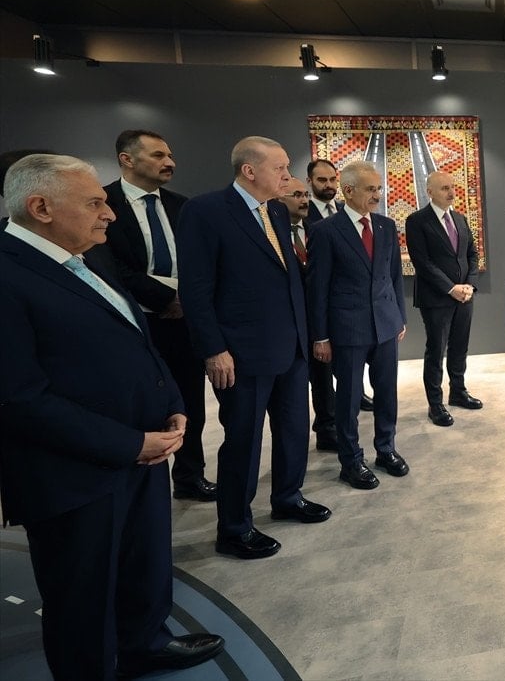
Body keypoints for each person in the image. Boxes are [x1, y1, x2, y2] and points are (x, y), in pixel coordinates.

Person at [0, 153, 224, 679]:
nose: (110, 214)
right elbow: (18, 398)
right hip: (75, 474)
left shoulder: (86, 256)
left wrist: (171, 403)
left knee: (143, 565)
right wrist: (127, 444)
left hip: (141, 453)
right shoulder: (7, 274)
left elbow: (137, 337)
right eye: (95, 203)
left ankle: (145, 643)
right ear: (41, 208)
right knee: (83, 597)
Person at [176, 136, 331, 561]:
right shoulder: (205, 211)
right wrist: (213, 349)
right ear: (249, 170)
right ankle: (234, 528)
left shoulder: (276, 211)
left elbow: (287, 279)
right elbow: (196, 289)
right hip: (241, 353)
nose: (289, 176)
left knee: (294, 429)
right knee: (243, 440)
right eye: (281, 168)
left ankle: (288, 497)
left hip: (290, 346)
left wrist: (308, 334)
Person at [100, 129, 214, 502]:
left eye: (170, 155)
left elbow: (200, 260)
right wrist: (167, 297)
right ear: (127, 159)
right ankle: (142, 485)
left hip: (184, 322)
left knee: (190, 402)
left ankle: (190, 476)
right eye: (158, 155)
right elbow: (109, 265)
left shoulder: (183, 206)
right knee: (141, 405)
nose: (170, 163)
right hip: (135, 322)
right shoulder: (104, 204)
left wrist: (188, 300)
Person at [307, 161, 409, 489]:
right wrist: (320, 336)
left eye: (379, 188)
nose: (377, 195)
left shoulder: (386, 226)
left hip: (385, 325)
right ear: (348, 190)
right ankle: (351, 461)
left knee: (387, 393)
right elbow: (318, 288)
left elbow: (394, 276)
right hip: (347, 329)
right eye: (370, 189)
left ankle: (386, 449)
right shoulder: (325, 231)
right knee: (349, 399)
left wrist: (400, 317)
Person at [405, 170, 483, 427]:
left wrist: (469, 284)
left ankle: (458, 392)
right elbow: (422, 262)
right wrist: (451, 288)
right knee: (436, 350)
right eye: (444, 188)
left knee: (460, 346)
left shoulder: (460, 219)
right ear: (429, 192)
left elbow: (472, 254)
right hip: (436, 298)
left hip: (465, 297)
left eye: (452, 186)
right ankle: (435, 404)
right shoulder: (417, 221)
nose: (451, 192)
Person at [307, 157, 375, 416]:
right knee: (322, 370)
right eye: (321, 180)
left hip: (350, 310)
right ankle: (327, 421)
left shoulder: (344, 209)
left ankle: (357, 395)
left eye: (332, 179)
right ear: (310, 181)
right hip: (322, 302)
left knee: (351, 365)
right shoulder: (304, 213)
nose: (328, 184)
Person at [279, 175, 337, 451]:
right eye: (297, 195)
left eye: (305, 195)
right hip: (288, 323)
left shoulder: (317, 231)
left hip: (317, 319)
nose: (304, 200)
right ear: (279, 200)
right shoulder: (272, 234)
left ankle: (327, 429)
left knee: (324, 379)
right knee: (294, 387)